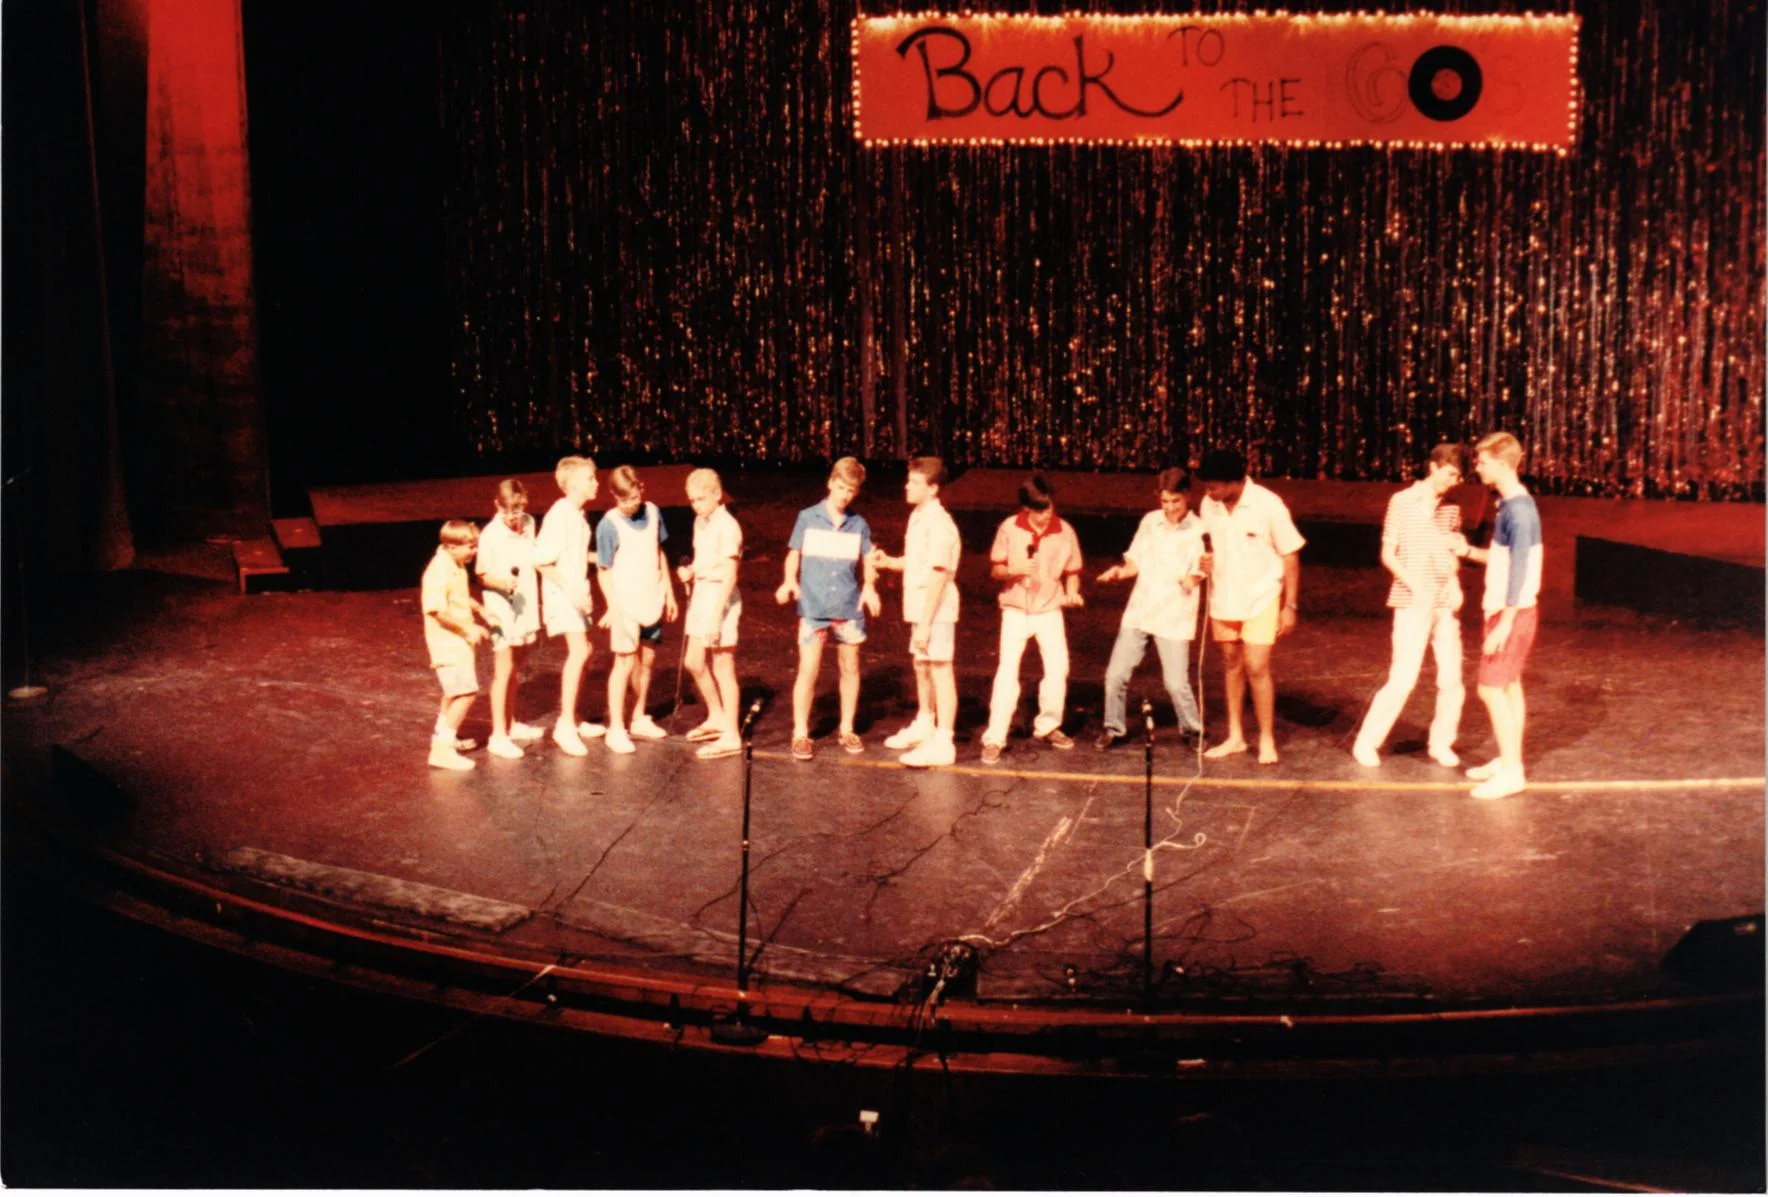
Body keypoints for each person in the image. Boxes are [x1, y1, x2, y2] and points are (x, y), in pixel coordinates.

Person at [1351, 444, 1468, 769]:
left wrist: (1454, 584)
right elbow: (1388, 554)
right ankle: (1366, 741)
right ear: (1434, 467)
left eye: (1459, 477)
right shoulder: (1402, 502)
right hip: (1412, 598)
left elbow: (1450, 553)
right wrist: (1415, 585)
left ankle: (1441, 743)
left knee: (1452, 678)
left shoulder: (1452, 508)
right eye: (1451, 474)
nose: (1454, 482)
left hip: (1443, 601)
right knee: (1403, 677)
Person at [1195, 449, 1305, 765]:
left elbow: (1290, 555)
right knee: (1231, 663)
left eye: (1213, 486)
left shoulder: (1268, 505)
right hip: (1224, 597)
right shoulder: (1209, 505)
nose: (1208, 493)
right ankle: (1235, 736)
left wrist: (1290, 605)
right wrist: (1203, 561)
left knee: (1256, 666)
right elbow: (1206, 543)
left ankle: (1267, 738)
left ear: (1234, 481)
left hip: (1262, 597)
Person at [776, 457, 881, 761]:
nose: (845, 495)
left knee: (850, 668)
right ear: (830, 483)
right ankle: (800, 733)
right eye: (841, 487)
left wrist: (870, 586)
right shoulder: (808, 518)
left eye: (851, 490)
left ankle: (847, 729)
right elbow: (793, 554)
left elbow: (869, 559)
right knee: (808, 670)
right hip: (814, 606)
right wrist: (789, 581)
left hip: (847, 607)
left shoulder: (859, 525)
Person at [1094, 467, 1206, 751]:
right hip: (1140, 611)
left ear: (1187, 496)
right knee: (1115, 675)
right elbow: (1134, 563)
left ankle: (1193, 730)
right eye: (1164, 501)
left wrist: (1192, 579)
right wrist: (1119, 572)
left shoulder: (1200, 530)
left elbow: (1200, 572)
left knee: (1176, 683)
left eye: (1175, 501)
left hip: (1174, 616)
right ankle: (1114, 728)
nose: (1169, 508)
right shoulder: (1150, 522)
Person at [1457, 431, 1542, 800]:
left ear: (1504, 465)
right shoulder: (1510, 504)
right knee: (1509, 686)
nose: (1477, 468)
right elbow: (1504, 560)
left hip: (1512, 615)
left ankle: (1513, 772)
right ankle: (1508, 759)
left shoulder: (1519, 511)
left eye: (1483, 462)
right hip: (1510, 611)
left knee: (1490, 689)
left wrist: (1505, 624)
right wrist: (1467, 552)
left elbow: (1520, 570)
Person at [979, 474, 1084, 765]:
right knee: (1007, 671)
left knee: (1058, 668)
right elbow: (996, 570)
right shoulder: (1009, 528)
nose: (1045, 515)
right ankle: (995, 737)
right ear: (1026, 508)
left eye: (1048, 508)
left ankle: (1047, 726)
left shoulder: (1065, 531)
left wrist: (1072, 593)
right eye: (1038, 510)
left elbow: (1073, 572)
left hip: (1049, 609)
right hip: (1015, 610)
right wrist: (1016, 569)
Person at [869, 457, 962, 768]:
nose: (906, 487)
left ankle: (944, 741)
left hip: (936, 610)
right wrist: (889, 562)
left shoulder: (940, 524)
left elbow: (938, 574)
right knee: (921, 666)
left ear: (933, 488)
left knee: (940, 670)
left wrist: (925, 623)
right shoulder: (918, 517)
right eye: (908, 481)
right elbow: (916, 561)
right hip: (919, 608)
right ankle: (925, 724)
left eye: (914, 483)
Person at [596, 466, 680, 755]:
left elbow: (659, 552)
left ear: (641, 489)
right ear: (613, 496)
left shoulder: (653, 512)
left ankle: (639, 717)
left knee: (647, 660)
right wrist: (613, 606)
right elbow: (603, 570)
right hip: (625, 604)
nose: (630, 504)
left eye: (633, 497)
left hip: (652, 596)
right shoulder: (609, 525)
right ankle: (616, 728)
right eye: (623, 500)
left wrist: (669, 592)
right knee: (624, 664)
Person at [534, 455, 607, 756]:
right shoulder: (560, 515)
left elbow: (573, 554)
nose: (596, 483)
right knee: (579, 652)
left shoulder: (577, 515)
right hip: (562, 594)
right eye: (590, 478)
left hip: (576, 592)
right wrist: (572, 592)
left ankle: (573, 717)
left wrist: (601, 558)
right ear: (574, 483)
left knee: (586, 651)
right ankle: (564, 725)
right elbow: (542, 561)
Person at [476, 479, 546, 760]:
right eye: (507, 511)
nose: (513, 517)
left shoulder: (529, 523)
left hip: (524, 603)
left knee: (517, 667)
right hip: (500, 607)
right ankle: (497, 736)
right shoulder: (490, 535)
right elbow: (481, 575)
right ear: (497, 505)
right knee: (503, 670)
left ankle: (511, 722)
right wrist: (501, 583)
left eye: (517, 511)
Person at [678, 468, 745, 761]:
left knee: (722, 666)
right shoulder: (700, 521)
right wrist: (691, 571)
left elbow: (730, 575)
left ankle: (732, 735)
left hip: (721, 597)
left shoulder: (728, 527)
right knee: (693, 661)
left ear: (717, 495)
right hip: (702, 593)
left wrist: (717, 616)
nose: (696, 505)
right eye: (692, 500)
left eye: (701, 499)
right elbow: (704, 560)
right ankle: (717, 716)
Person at [420, 520, 498, 771]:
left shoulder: (456, 564)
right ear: (451, 546)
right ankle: (441, 751)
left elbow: (459, 598)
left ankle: (444, 736)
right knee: (466, 693)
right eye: (470, 547)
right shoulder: (438, 571)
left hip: (459, 643)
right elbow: (436, 611)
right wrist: (468, 628)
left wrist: (481, 610)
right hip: (447, 644)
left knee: (453, 692)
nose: (474, 551)